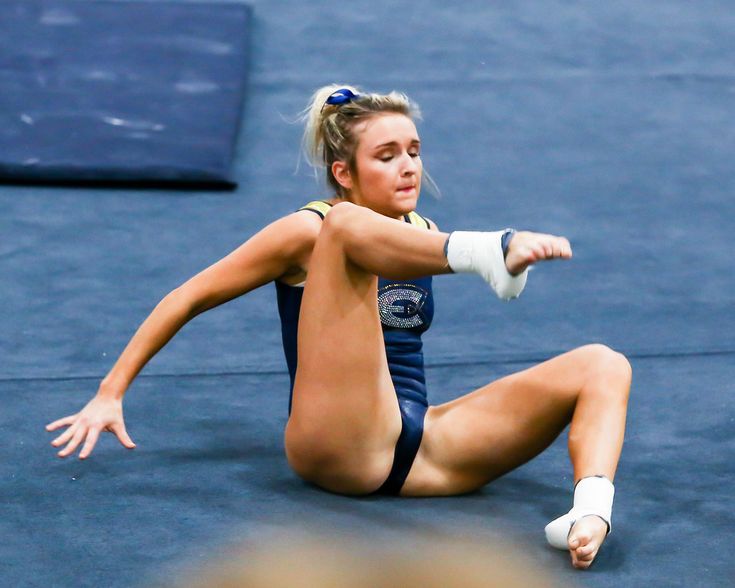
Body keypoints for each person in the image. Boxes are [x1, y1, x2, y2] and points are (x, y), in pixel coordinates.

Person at [46, 84, 632, 569]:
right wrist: (109, 392)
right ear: (342, 171)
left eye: (414, 149)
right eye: (387, 155)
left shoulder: (423, 229)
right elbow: (187, 297)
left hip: (421, 448)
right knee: (347, 230)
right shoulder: (314, 229)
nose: (408, 166)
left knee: (604, 363)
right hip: (336, 444)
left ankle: (588, 513)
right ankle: (491, 251)